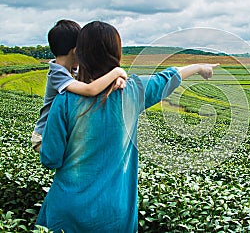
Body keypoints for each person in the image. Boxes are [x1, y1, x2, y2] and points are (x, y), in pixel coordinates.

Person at [35, 21, 219, 232]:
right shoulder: (134, 91)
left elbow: (51, 158)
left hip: (67, 211)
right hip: (115, 215)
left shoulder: (65, 100)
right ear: (117, 53)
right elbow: (167, 78)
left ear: (81, 55)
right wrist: (198, 67)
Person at [31, 20, 127, 152]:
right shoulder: (56, 74)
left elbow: (95, 82)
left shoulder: (71, 70)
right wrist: (117, 72)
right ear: (76, 51)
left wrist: (117, 79)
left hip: (58, 131)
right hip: (44, 136)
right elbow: (90, 90)